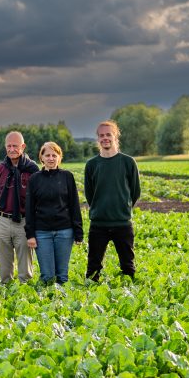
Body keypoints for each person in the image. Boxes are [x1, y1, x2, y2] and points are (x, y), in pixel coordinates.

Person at [84, 120, 141, 281]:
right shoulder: (92, 165)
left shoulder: (128, 162)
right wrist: (100, 208)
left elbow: (135, 191)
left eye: (108, 134)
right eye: (101, 135)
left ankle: (130, 296)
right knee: (93, 269)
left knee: (128, 267)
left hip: (122, 223)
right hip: (98, 225)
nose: (105, 138)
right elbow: (90, 194)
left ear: (116, 136)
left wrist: (123, 207)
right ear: (98, 139)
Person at [25, 142, 83, 284]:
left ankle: (63, 305)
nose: (51, 158)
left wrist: (78, 232)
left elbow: (74, 204)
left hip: (65, 231)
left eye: (54, 155)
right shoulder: (35, 179)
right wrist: (30, 234)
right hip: (42, 233)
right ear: (42, 158)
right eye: (47, 155)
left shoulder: (67, 177)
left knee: (62, 275)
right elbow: (29, 208)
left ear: (59, 157)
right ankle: (48, 303)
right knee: (48, 276)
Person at [0, 131, 39, 284]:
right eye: (9, 146)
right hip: (2, 220)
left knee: (25, 267)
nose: (11, 149)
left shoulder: (33, 169)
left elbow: (38, 198)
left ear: (23, 147)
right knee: (4, 265)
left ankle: (25, 293)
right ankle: (6, 290)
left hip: (24, 222)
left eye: (15, 146)